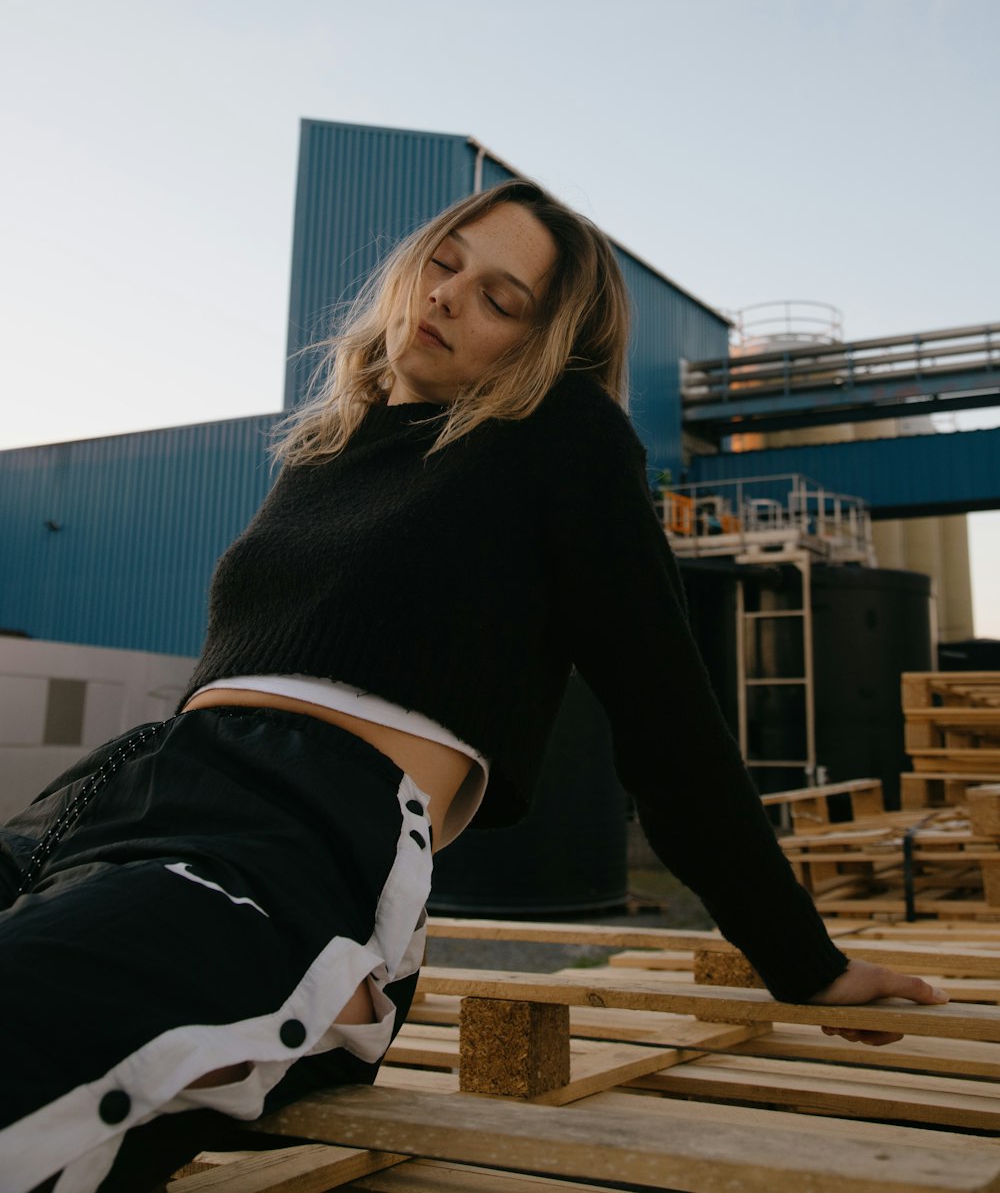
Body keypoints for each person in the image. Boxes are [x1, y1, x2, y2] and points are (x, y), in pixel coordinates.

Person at [0, 179, 946, 1193]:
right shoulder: (323, 450)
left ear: (543, 349)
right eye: (444, 264)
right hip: (115, 798)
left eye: (500, 299)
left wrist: (804, 962)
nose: (447, 298)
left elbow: (669, 722)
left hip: (295, 849)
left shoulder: (560, 435)